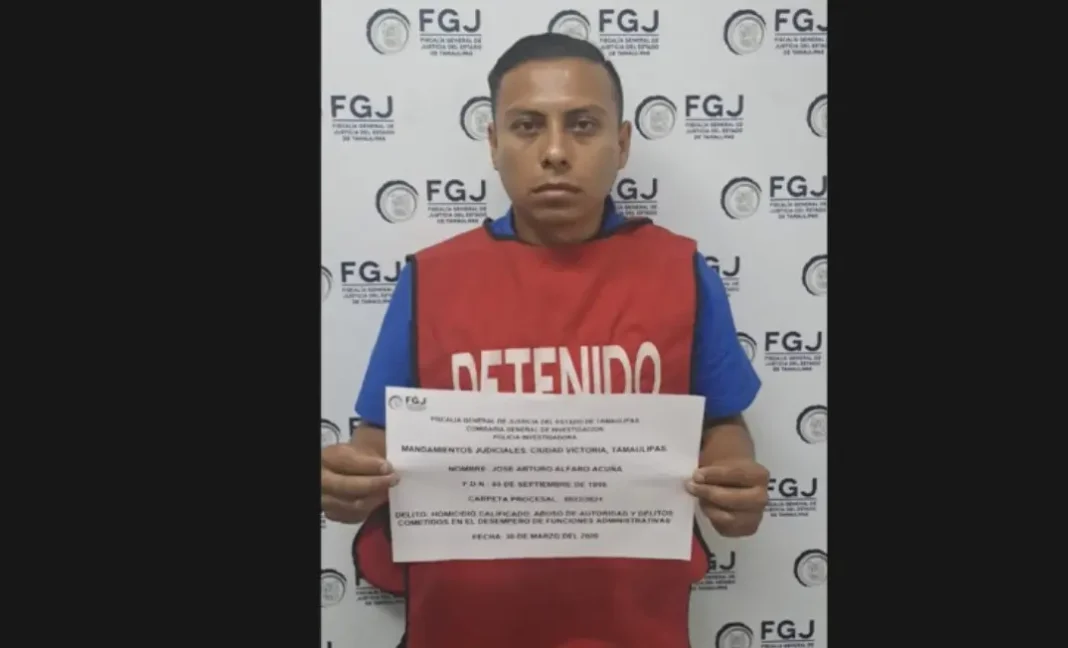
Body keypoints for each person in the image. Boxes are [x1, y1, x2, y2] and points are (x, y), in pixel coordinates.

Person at [321, 32, 769, 648]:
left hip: (635, 627)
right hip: (460, 627)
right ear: (493, 143)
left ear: (622, 143)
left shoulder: (680, 270)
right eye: (527, 126)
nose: (555, 152)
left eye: (582, 125)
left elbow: (722, 421)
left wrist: (732, 476)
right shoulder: (431, 277)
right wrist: (351, 479)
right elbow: (378, 435)